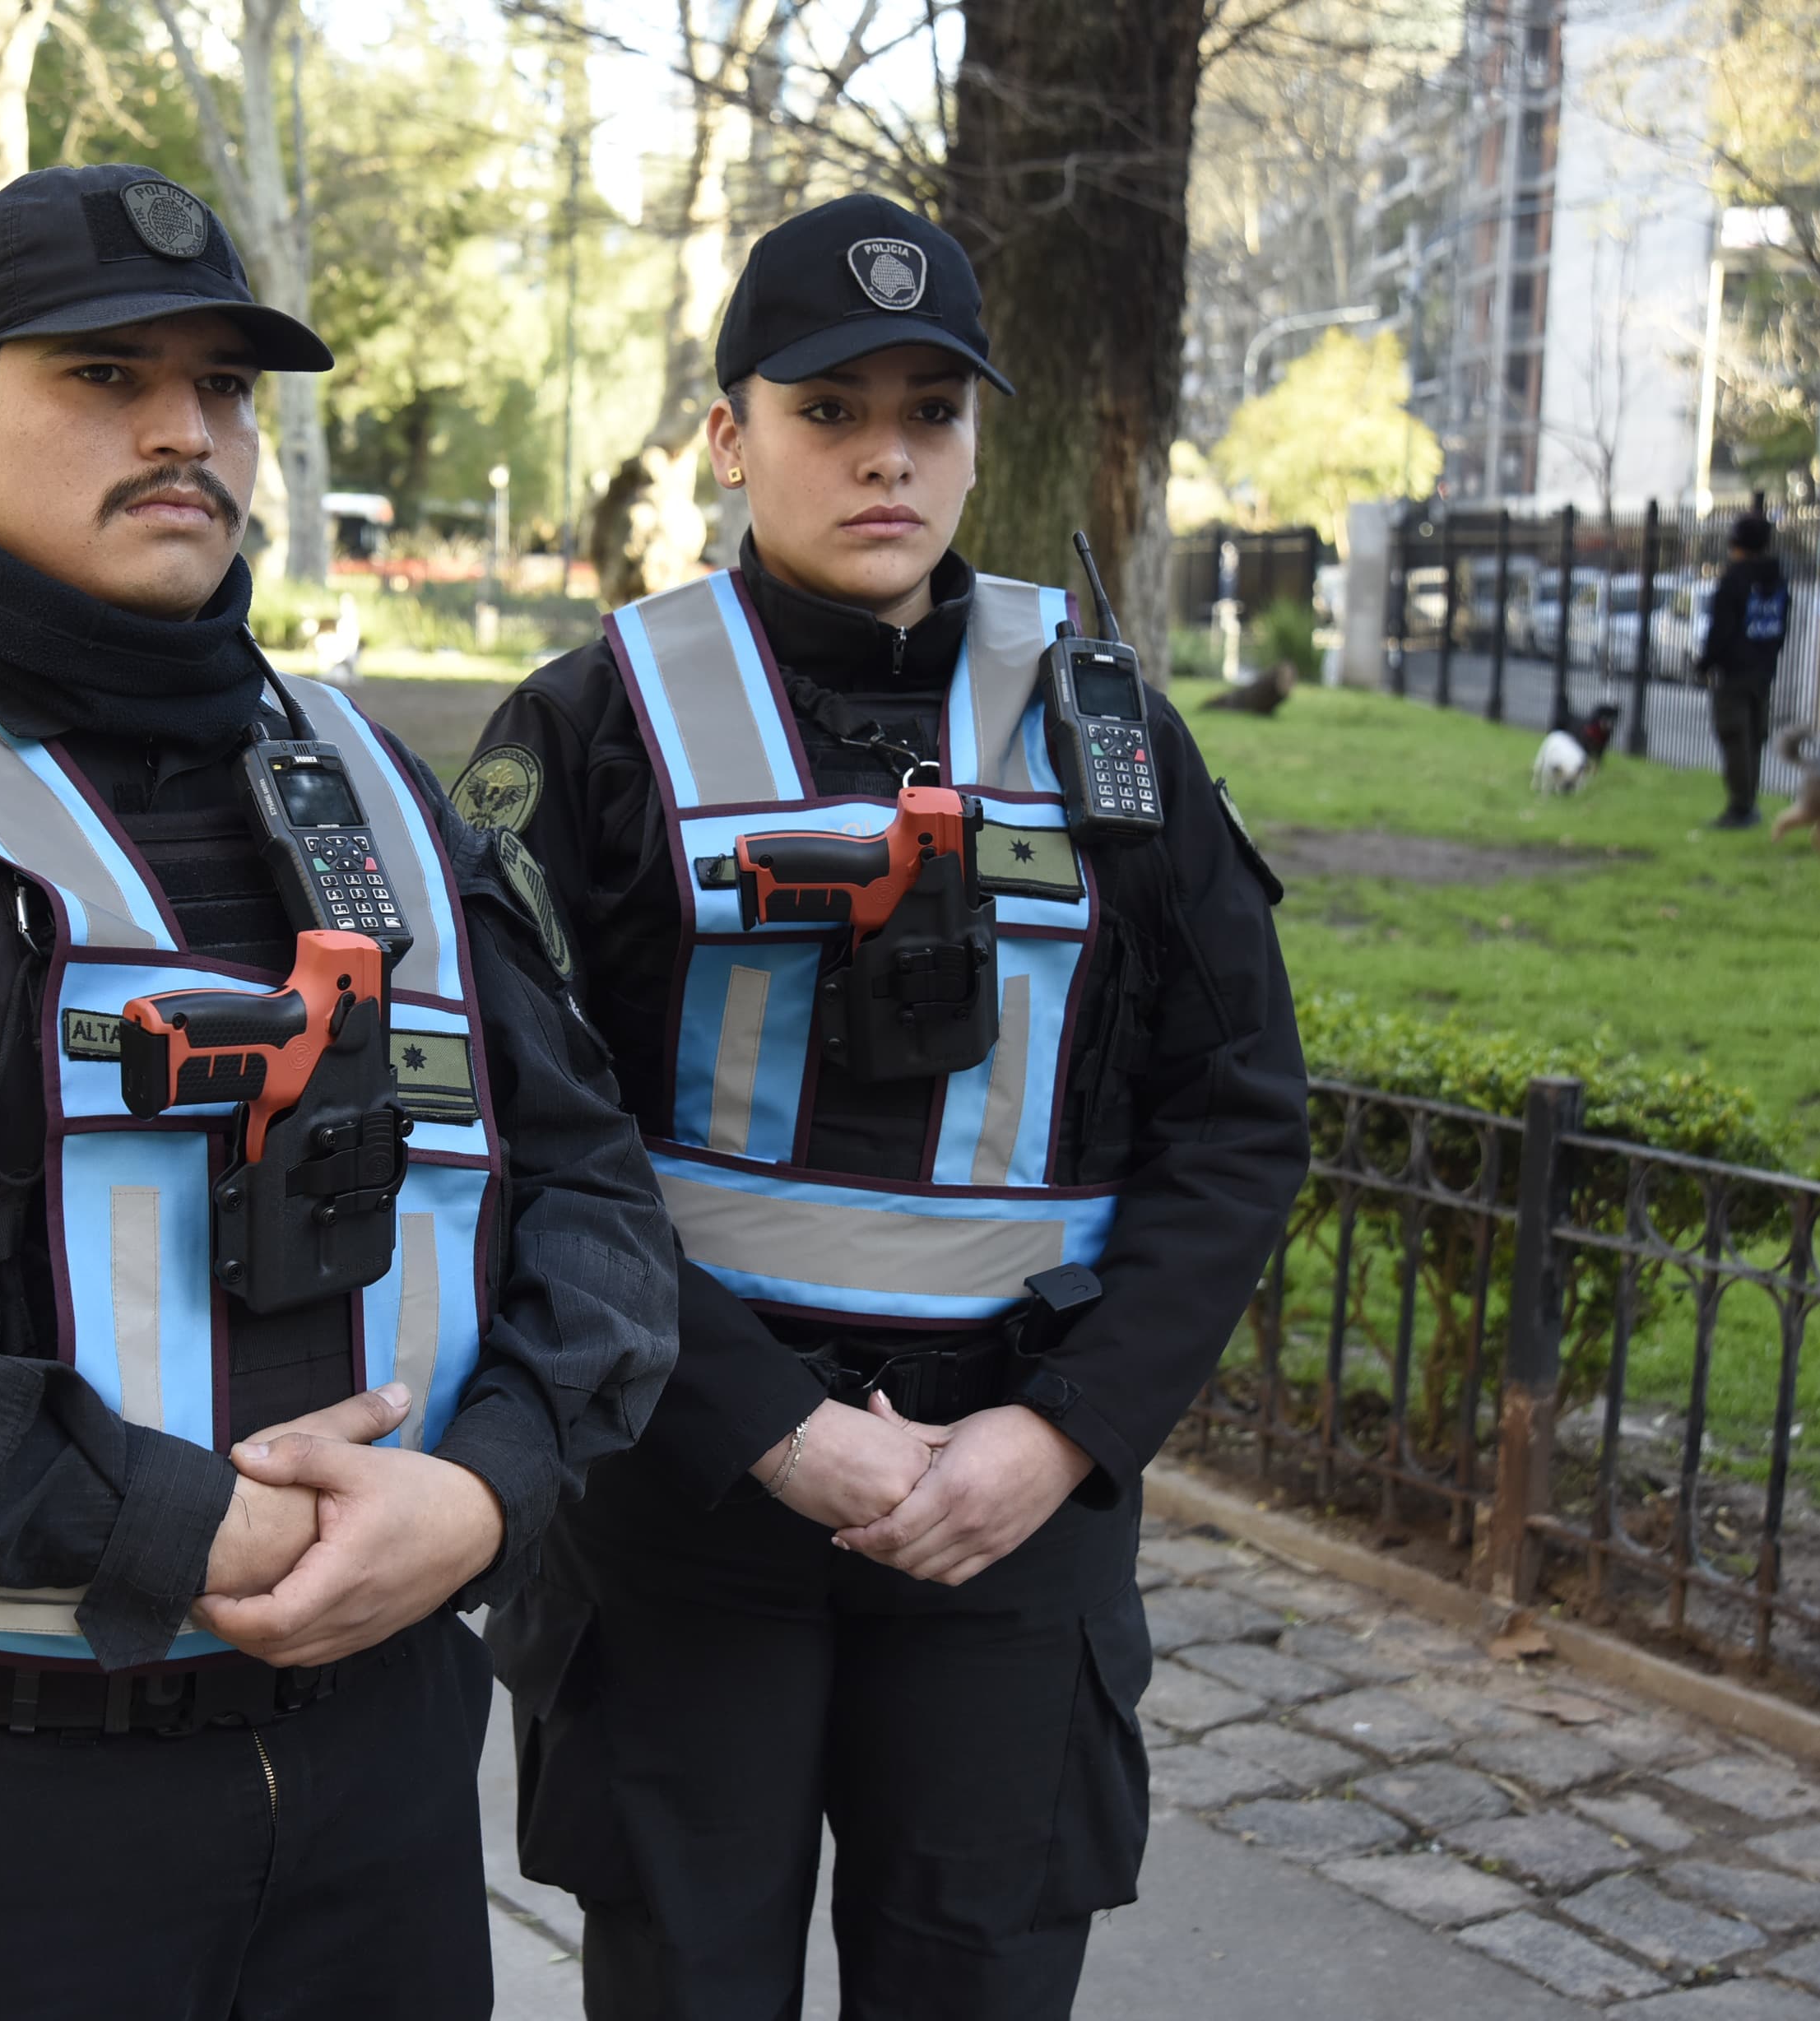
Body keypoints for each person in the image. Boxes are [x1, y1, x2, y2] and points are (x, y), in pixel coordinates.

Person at [0, 164, 676, 2019]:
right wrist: (161, 1525)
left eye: (223, 387)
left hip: (382, 1777)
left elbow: (595, 1206)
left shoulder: (386, 795)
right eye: (102, 374)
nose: (184, 430)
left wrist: (485, 1496)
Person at [461, 194, 1311, 2020]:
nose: (884, 457)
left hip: (1014, 1506)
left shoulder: (1108, 734)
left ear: (976, 440)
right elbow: (516, 1136)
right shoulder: (596, 728)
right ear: (727, 435)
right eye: (828, 409)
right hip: (689, 1497)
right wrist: (766, 1420)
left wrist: (1064, 1432)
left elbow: (1235, 1111)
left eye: (930, 412)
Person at [1699, 501, 1792, 828]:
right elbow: (1781, 626)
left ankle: (1741, 808)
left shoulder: (1735, 579)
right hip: (1762, 671)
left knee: (1734, 735)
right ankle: (1748, 801)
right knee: (1753, 738)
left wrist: (1705, 663)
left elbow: (1721, 629)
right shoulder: (1777, 578)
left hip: (1735, 672)